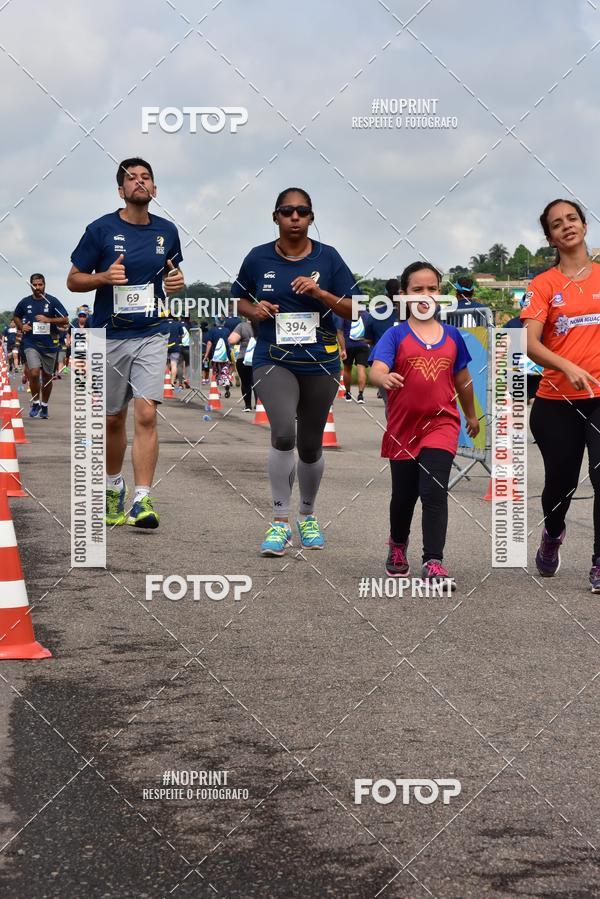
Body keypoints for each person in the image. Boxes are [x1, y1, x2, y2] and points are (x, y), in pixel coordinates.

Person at [231, 187, 355, 555]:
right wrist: (253, 310)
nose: (295, 217)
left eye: (302, 211)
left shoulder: (329, 258)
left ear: (312, 217)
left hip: (320, 362)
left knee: (311, 444)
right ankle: (280, 522)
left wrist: (320, 294)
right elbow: (238, 298)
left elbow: (353, 309)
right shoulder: (257, 258)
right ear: (276, 217)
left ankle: (309, 514)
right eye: (287, 211)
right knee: (284, 433)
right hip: (274, 358)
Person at [67, 156, 184, 529]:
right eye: (131, 178)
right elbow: (73, 280)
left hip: (151, 332)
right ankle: (113, 486)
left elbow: (172, 275)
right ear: (121, 190)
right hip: (108, 335)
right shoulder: (100, 229)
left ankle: (142, 499)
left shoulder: (167, 232)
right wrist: (102, 277)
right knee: (113, 419)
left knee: (147, 413)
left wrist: (175, 284)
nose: (139, 182)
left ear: (154, 188)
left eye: (145, 177)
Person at [369, 261, 479, 585]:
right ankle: (397, 544)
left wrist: (471, 415)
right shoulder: (395, 335)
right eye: (417, 289)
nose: (425, 295)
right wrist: (383, 376)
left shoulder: (452, 336)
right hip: (403, 427)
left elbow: (464, 381)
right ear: (403, 295)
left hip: (441, 425)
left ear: (440, 295)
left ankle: (433, 560)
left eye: (432, 289)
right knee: (404, 496)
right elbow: (376, 368)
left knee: (434, 491)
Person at [522, 198, 600, 590]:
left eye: (572, 218)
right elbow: (531, 343)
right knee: (561, 483)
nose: (566, 225)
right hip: (557, 402)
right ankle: (552, 534)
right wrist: (566, 365)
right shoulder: (544, 285)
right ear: (550, 237)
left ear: (584, 225)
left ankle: (599, 562)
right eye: (557, 223)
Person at [13, 274, 69, 419]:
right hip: (31, 343)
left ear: (44, 285)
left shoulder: (52, 301)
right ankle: (36, 402)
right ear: (31, 285)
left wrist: (48, 319)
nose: (37, 288)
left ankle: (44, 405)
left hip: (49, 345)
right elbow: (16, 316)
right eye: (35, 285)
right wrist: (21, 326)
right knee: (34, 373)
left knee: (47, 377)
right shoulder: (25, 302)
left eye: (40, 285)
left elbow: (65, 319)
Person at [337, 314, 369, 403]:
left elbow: (339, 331)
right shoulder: (366, 314)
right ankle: (360, 395)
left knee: (347, 369)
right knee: (361, 370)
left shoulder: (344, 312)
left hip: (348, 345)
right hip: (363, 345)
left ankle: (348, 394)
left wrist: (342, 348)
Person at [228, 318, 256, 411]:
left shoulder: (242, 326)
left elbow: (232, 340)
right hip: (260, 358)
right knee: (258, 382)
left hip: (244, 357)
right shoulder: (263, 325)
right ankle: (259, 404)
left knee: (245, 382)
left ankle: (248, 406)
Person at [166, 315, 185, 388]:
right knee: (174, 364)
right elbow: (182, 335)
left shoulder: (164, 323)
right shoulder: (178, 324)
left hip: (165, 346)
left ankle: (165, 381)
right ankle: (172, 383)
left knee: (166, 364)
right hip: (175, 346)